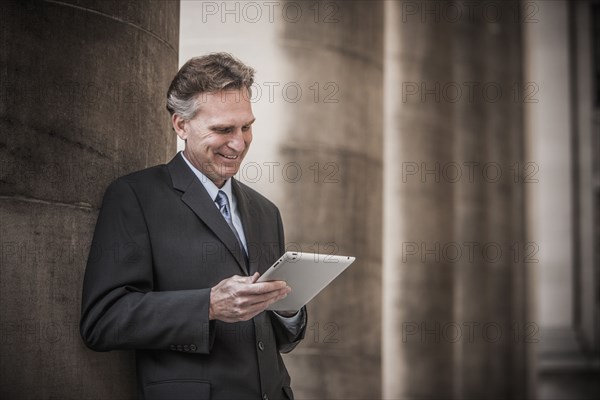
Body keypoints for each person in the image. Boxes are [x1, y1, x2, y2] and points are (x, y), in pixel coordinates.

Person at [80, 53, 307, 400]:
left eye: (246, 126)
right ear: (181, 125)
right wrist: (209, 306)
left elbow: (278, 339)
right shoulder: (135, 196)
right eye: (223, 129)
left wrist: (288, 310)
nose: (239, 142)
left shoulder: (266, 211)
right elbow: (103, 321)